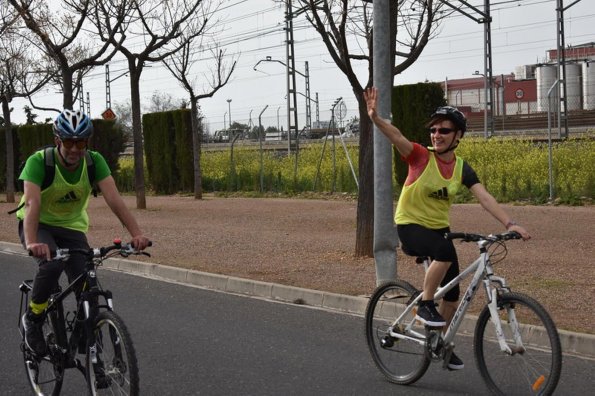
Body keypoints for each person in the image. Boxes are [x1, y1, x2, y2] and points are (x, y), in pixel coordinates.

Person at [364, 87, 530, 371]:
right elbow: (397, 137)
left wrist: (510, 223)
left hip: (439, 230)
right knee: (443, 252)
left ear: (458, 136)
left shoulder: (462, 168)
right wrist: (376, 118)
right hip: (410, 226)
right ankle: (426, 304)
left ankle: (438, 343)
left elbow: (485, 197)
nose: (437, 135)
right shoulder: (419, 156)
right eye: (434, 130)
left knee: (452, 298)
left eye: (444, 130)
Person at [17, 109, 151, 356]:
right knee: (51, 265)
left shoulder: (94, 161)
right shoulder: (39, 162)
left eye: (81, 142)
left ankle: (87, 341)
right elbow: (31, 204)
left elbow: (115, 200)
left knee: (86, 285)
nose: (75, 149)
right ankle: (33, 319)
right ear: (58, 140)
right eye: (69, 142)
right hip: (40, 226)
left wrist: (136, 234)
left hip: (71, 228)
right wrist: (33, 241)